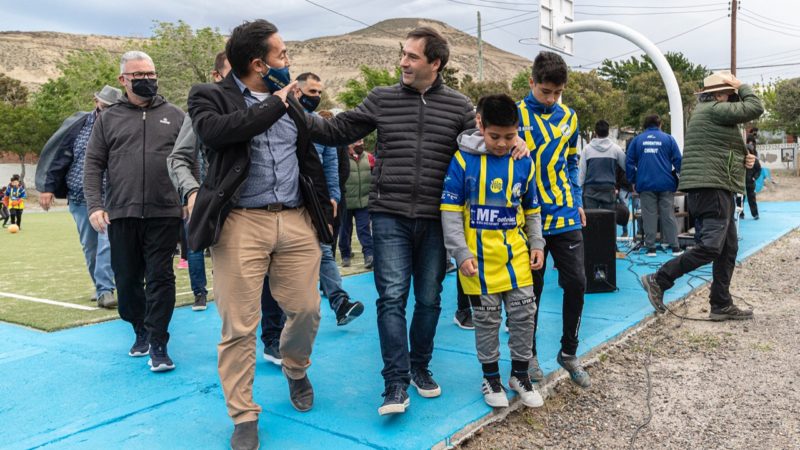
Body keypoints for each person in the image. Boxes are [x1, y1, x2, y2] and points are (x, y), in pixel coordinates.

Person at [304, 26, 526, 416]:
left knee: (429, 299)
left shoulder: (459, 107)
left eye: (411, 56)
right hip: (388, 215)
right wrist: (295, 112)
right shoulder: (381, 98)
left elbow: (486, 144)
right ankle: (395, 382)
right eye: (402, 54)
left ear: (434, 63)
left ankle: (420, 366)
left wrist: (517, 142)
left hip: (437, 220)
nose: (402, 62)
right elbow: (338, 129)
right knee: (391, 297)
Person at [186, 20, 334, 450]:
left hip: (294, 219)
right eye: (282, 55)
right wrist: (279, 102)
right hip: (239, 223)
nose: (288, 61)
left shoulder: (294, 103)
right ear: (258, 63)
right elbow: (219, 133)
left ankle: (295, 366)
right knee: (239, 326)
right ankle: (244, 413)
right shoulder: (209, 96)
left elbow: (326, 140)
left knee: (306, 309)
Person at [442, 94, 546, 408]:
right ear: (480, 125)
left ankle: (520, 374)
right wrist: (460, 252)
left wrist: (537, 243)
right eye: (494, 136)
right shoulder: (462, 160)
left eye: (510, 136)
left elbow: (532, 209)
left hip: (515, 256)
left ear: (518, 131)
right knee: (487, 320)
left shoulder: (524, 160)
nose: (502, 143)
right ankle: (490, 377)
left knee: (524, 314)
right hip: (478, 260)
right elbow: (449, 209)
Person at [84, 51, 185, 372]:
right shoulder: (108, 118)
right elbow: (93, 165)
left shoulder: (176, 115)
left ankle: (158, 341)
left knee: (160, 277)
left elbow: (191, 159)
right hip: (121, 212)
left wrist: (189, 195)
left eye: (150, 74)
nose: (147, 80)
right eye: (139, 76)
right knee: (127, 281)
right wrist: (95, 205)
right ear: (123, 80)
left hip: (165, 211)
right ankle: (138, 327)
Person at [259, 73, 365, 367]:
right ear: (296, 90)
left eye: (320, 91)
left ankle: (339, 302)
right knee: (274, 271)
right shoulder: (276, 117)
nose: (315, 95)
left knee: (324, 251)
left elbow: (330, 163)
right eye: (310, 90)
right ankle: (272, 335)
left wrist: (332, 197)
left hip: (313, 204)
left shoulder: (321, 126)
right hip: (280, 207)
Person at [641, 71, 764, 321]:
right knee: (711, 247)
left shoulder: (708, 113)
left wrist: (745, 159)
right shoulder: (715, 109)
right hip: (712, 188)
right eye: (731, 95)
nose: (733, 99)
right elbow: (756, 106)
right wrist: (743, 87)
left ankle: (720, 303)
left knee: (728, 248)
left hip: (714, 187)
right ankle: (659, 279)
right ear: (720, 94)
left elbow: (718, 150)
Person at [518, 51, 590, 388]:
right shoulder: (515, 116)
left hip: (565, 213)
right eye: (546, 91)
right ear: (531, 82)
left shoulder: (570, 118)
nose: (552, 98)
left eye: (557, 92)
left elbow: (572, 162)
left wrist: (576, 201)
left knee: (577, 282)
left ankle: (569, 352)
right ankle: (528, 354)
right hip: (527, 217)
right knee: (532, 290)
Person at [37, 85, 122, 308]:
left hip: (109, 197)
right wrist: (47, 187)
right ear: (96, 102)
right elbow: (57, 155)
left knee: (108, 243)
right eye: (104, 107)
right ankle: (100, 285)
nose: (107, 112)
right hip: (79, 196)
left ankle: (106, 290)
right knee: (90, 246)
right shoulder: (79, 125)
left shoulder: (121, 125)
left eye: (112, 108)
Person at [167, 51, 232, 311]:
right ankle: (199, 293)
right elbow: (179, 158)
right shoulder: (199, 111)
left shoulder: (263, 105)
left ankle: (272, 336)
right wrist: (192, 192)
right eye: (232, 72)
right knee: (195, 247)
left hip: (255, 211)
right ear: (216, 76)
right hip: (208, 201)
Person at [626, 114, 683, 257]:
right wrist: (679, 178)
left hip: (645, 183)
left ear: (645, 126)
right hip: (666, 183)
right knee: (668, 215)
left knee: (648, 215)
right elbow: (678, 161)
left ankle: (651, 248)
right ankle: (675, 246)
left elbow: (629, 162)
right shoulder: (668, 139)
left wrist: (633, 180)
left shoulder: (637, 140)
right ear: (660, 124)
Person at [339, 139, 374, 268]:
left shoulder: (369, 157)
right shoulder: (342, 158)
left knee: (364, 229)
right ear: (349, 144)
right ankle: (345, 255)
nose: (360, 144)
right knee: (344, 231)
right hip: (346, 203)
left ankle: (369, 255)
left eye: (361, 142)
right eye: (357, 142)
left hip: (363, 202)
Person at [579, 119, 626, 210]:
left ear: (595, 132)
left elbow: (582, 174)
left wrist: (579, 192)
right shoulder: (616, 149)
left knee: (591, 222)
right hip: (608, 191)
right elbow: (626, 166)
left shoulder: (587, 149)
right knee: (609, 222)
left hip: (590, 192)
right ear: (608, 133)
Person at [740, 127, 760, 219]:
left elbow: (758, 170)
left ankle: (755, 214)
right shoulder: (741, 160)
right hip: (741, 183)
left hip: (750, 183)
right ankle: (740, 214)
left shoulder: (754, 160)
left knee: (752, 199)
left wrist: (754, 178)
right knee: (740, 199)